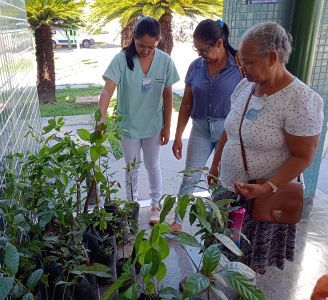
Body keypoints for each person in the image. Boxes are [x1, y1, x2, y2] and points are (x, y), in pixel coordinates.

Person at [209, 22, 324, 274]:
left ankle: (243, 288)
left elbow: (303, 155)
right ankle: (212, 279)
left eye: (248, 62)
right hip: (228, 186)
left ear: (272, 58)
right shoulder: (246, 86)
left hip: (259, 197)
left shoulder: (301, 101)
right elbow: (231, 128)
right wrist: (215, 164)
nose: (241, 67)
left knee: (247, 258)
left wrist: (266, 187)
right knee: (220, 243)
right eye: (241, 60)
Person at [98, 16, 180, 224]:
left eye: (150, 47)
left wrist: (167, 127)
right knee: (131, 167)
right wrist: (101, 116)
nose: (145, 50)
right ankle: (132, 205)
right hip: (129, 126)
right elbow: (107, 90)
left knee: (153, 165)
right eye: (141, 45)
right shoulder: (121, 59)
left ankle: (155, 205)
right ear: (133, 38)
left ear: (158, 41)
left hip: (153, 125)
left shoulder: (164, 61)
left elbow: (168, 96)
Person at [170, 19, 242, 233]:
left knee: (221, 180)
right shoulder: (196, 66)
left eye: (203, 49)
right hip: (200, 129)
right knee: (190, 176)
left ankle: (219, 224)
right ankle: (177, 220)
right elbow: (186, 103)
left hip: (227, 132)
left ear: (219, 43)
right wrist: (177, 136)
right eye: (197, 49)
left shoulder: (238, 65)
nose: (200, 54)